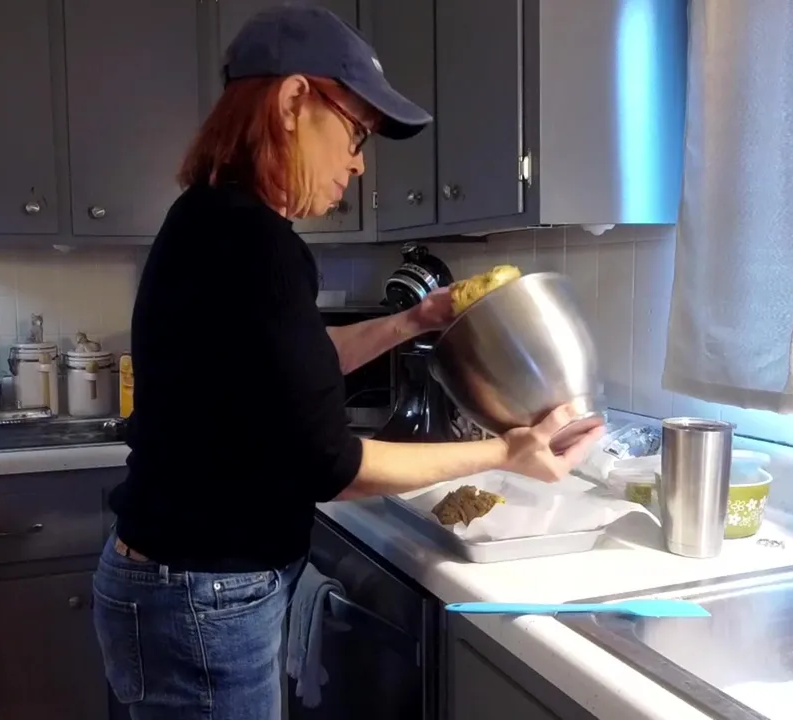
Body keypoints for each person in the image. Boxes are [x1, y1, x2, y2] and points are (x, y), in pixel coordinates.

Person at [92, 6, 605, 719]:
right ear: (293, 102)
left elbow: (293, 365)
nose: (360, 161)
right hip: (203, 594)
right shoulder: (254, 243)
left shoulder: (213, 222)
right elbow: (330, 467)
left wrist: (413, 320)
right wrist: (507, 452)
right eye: (356, 131)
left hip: (185, 584)